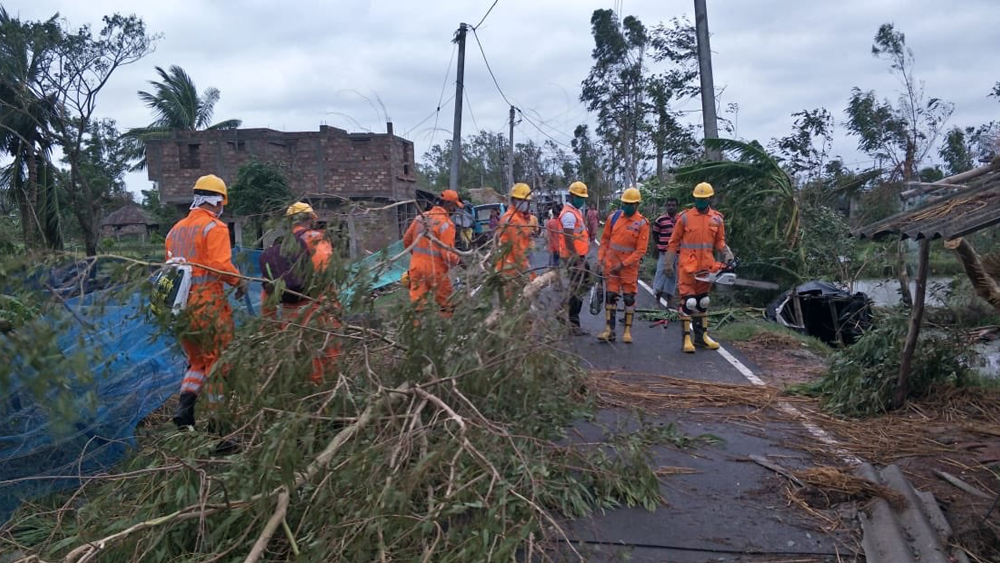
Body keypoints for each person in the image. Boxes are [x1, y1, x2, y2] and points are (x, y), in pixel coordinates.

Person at [165, 174, 247, 430]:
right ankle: (218, 426)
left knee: (197, 361)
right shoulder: (214, 227)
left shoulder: (175, 230)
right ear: (218, 201)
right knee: (217, 363)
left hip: (181, 308)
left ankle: (184, 411)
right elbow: (220, 265)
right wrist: (239, 282)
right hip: (208, 306)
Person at [260, 202, 338, 384]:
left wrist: (268, 325)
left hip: (290, 315)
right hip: (318, 309)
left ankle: (304, 390)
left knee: (298, 359)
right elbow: (324, 272)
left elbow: (268, 292)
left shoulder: (279, 247)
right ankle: (324, 391)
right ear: (311, 220)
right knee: (325, 357)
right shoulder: (317, 238)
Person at [664, 182, 734, 353]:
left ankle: (701, 337)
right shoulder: (685, 218)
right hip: (688, 267)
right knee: (689, 303)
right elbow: (673, 242)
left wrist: (727, 254)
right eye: (698, 199)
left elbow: (720, 241)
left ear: (710, 198)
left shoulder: (717, 219)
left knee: (703, 302)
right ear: (694, 198)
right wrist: (668, 263)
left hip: (707, 268)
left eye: (704, 199)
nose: (701, 202)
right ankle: (686, 339)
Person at [597, 187, 650, 343]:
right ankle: (609, 330)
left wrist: (623, 264)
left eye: (630, 204)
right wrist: (600, 259)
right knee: (610, 296)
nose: (627, 206)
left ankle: (627, 331)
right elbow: (605, 240)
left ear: (637, 205)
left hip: (628, 268)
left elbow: (641, 251)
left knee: (628, 298)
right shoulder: (613, 218)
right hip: (611, 265)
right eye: (625, 203)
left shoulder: (642, 223)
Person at [403, 189, 462, 317]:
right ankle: (446, 325)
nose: (454, 210)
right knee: (446, 302)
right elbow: (447, 254)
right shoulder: (446, 224)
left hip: (416, 267)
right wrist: (459, 261)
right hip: (436, 270)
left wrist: (418, 257)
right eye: (454, 207)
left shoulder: (420, 218)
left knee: (417, 305)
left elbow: (407, 241)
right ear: (449, 204)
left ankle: (417, 327)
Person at [559, 181, 591, 334]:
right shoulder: (569, 215)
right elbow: (568, 239)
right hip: (574, 258)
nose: (582, 200)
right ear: (571, 196)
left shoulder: (575, 211)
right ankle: (573, 324)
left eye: (583, 197)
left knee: (580, 287)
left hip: (579, 256)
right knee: (577, 289)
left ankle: (562, 309)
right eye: (579, 197)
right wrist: (577, 260)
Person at [494, 183, 535, 287]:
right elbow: (518, 250)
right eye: (520, 200)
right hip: (512, 269)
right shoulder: (513, 220)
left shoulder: (518, 217)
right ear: (513, 200)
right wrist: (528, 272)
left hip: (511, 266)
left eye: (526, 201)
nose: (524, 203)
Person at [651, 197, 680, 309]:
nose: (671, 207)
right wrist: (660, 246)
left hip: (677, 254)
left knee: (672, 277)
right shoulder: (660, 220)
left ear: (677, 206)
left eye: (673, 205)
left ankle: (670, 302)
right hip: (664, 253)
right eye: (669, 205)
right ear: (666, 206)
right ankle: (657, 301)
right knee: (661, 276)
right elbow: (655, 234)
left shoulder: (681, 220)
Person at [545, 204, 562, 269]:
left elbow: (549, 237)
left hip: (553, 248)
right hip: (562, 248)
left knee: (553, 267)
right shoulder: (562, 221)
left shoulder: (549, 223)